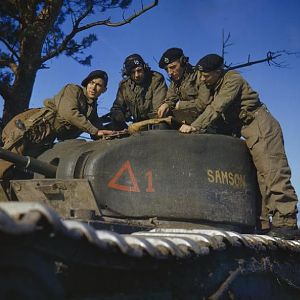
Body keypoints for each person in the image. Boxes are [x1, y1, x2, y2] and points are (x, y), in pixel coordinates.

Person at [182, 53, 298, 239]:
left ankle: (287, 223)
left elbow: (217, 107)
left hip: (259, 124)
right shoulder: (213, 84)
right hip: (246, 129)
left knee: (272, 172)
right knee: (258, 177)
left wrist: (195, 126)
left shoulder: (232, 80)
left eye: (206, 75)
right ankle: (265, 224)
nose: (202, 79)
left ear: (219, 71)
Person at [0, 70, 113, 178]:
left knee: (23, 171)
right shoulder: (73, 90)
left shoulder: (92, 108)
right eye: (91, 83)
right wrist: (95, 131)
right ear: (87, 83)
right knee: (6, 165)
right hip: (33, 127)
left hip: (46, 138)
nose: (93, 87)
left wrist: (113, 133)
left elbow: (98, 129)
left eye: (98, 85)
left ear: (104, 90)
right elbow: (69, 113)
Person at [110, 54, 167, 130]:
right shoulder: (124, 86)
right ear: (128, 73)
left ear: (144, 68)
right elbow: (117, 108)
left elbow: (158, 111)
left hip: (156, 121)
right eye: (133, 72)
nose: (136, 75)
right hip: (136, 123)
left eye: (139, 70)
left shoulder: (156, 79)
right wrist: (121, 121)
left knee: (161, 127)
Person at [157, 48, 211, 126]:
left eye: (173, 67)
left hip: (204, 122)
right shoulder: (175, 81)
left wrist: (180, 105)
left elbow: (204, 103)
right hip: (187, 121)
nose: (169, 73)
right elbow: (171, 98)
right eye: (166, 69)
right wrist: (166, 105)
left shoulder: (200, 76)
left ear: (183, 62)